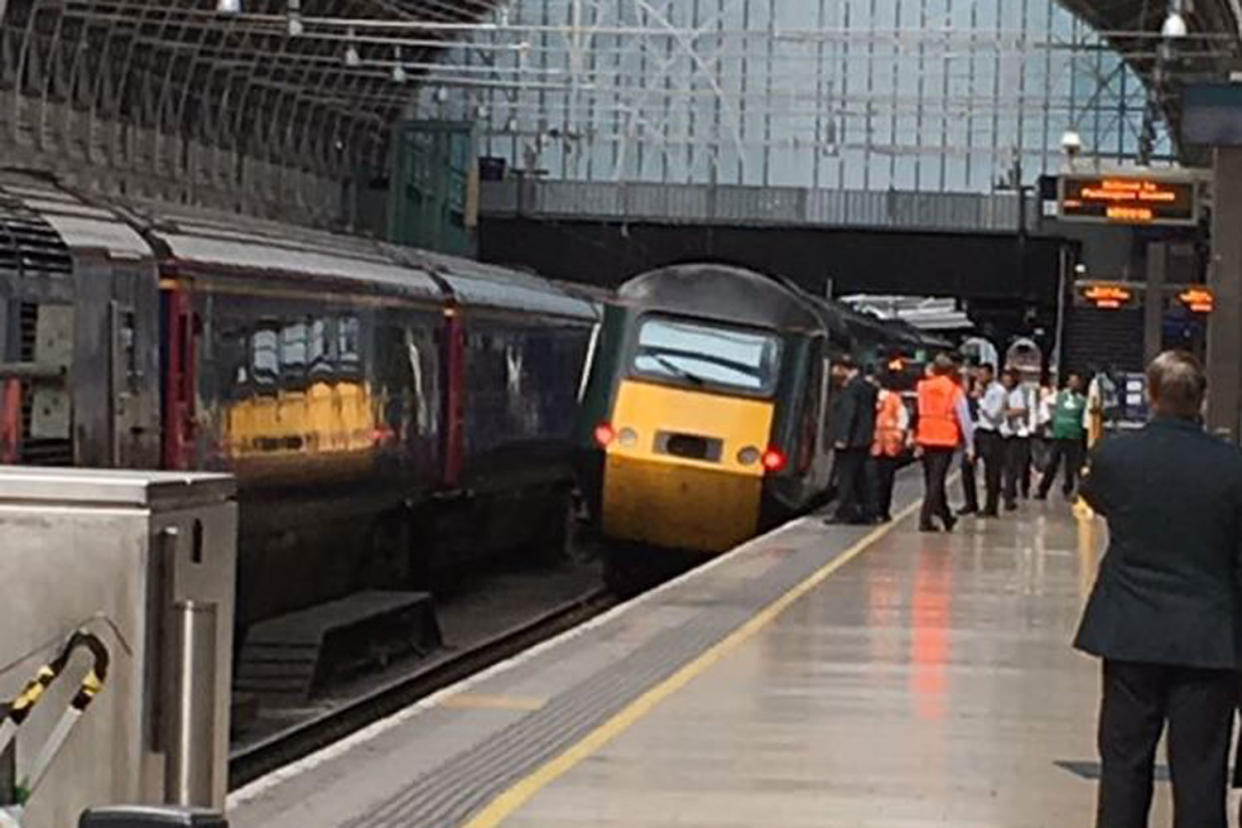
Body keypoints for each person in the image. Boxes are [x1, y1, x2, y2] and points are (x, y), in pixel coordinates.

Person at [1075, 350, 1242, 828]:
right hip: (1209, 639)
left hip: (1130, 631)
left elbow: (1097, 500)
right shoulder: (1233, 467)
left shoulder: (1113, 457)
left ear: (1150, 396)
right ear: (1202, 400)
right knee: (1201, 770)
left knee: (1124, 763)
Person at [915, 353, 975, 533]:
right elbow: (964, 418)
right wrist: (970, 445)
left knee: (932, 480)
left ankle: (946, 517)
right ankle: (925, 519)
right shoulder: (954, 390)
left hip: (925, 435)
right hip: (945, 438)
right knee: (936, 480)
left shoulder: (923, 387)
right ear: (950, 371)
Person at [826, 355, 877, 525]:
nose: (833, 371)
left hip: (851, 441)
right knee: (861, 477)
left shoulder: (851, 388)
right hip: (863, 440)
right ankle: (867, 512)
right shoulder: (867, 387)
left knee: (846, 478)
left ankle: (844, 512)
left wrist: (842, 438)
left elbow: (849, 413)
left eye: (836, 368)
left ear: (844, 369)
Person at [1036, 371, 1087, 500]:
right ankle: (1043, 490)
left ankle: (1068, 490)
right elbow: (1044, 403)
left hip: (1074, 436)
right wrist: (1047, 420)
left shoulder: (1082, 401)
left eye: (1076, 382)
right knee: (1052, 464)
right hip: (1059, 435)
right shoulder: (1059, 396)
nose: (1074, 384)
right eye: (1072, 381)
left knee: (1071, 467)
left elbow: (1086, 419)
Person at [870, 369, 910, 523]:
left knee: (879, 480)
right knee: (882, 480)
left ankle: (879, 510)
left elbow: (902, 419)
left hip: (882, 444)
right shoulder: (893, 399)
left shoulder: (889, 399)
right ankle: (880, 511)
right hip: (884, 444)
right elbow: (903, 419)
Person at [974, 362, 1006, 517]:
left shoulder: (998, 391)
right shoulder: (983, 390)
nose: (980, 378)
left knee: (992, 473)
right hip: (979, 431)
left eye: (983, 375)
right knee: (967, 466)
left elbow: (993, 414)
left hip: (992, 433)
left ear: (991, 374)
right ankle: (971, 502)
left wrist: (980, 399)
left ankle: (991, 507)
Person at [1000, 368, 1033, 510]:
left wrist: (1004, 412)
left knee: (1011, 467)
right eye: (1004, 379)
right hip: (1001, 432)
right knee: (1004, 467)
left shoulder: (1019, 393)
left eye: (1009, 379)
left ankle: (1009, 495)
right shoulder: (1000, 392)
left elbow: (1022, 409)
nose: (1006, 382)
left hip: (1016, 433)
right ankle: (1007, 491)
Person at [957, 365, 981, 516]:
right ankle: (971, 502)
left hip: (978, 435)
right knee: (966, 469)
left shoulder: (973, 400)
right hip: (970, 437)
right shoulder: (965, 399)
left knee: (970, 468)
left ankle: (973, 503)